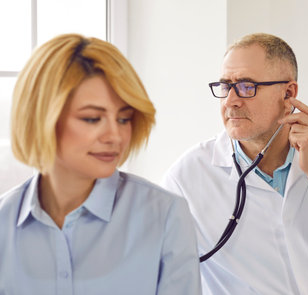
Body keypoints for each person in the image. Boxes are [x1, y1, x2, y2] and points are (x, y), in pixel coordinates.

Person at [162, 33, 308, 294]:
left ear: (288, 93)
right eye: (225, 86)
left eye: (246, 86)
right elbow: (159, 273)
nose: (231, 100)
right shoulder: (188, 176)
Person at [0, 34, 201, 295]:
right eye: (93, 118)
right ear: (41, 118)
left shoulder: (165, 215)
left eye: (124, 119)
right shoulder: (4, 223)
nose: (114, 137)